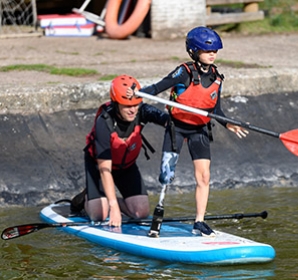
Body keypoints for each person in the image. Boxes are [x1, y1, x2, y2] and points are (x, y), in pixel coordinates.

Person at [139, 26, 249, 237]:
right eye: (208, 51)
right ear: (194, 51)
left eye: (215, 51)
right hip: (176, 128)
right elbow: (158, 87)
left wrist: (228, 124)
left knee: (204, 177)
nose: (212, 54)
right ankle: (157, 218)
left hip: (199, 130)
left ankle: (199, 221)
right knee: (167, 175)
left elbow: (216, 110)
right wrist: (137, 93)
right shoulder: (183, 72)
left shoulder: (216, 77)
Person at [70, 74, 168, 227]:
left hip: (126, 167)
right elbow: (105, 170)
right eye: (127, 106)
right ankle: (85, 199)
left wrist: (181, 125)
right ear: (116, 104)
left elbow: (167, 120)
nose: (133, 110)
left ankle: (106, 199)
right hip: (100, 168)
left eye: (136, 105)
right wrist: (113, 207)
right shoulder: (104, 122)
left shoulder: (142, 111)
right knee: (99, 215)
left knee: (140, 213)